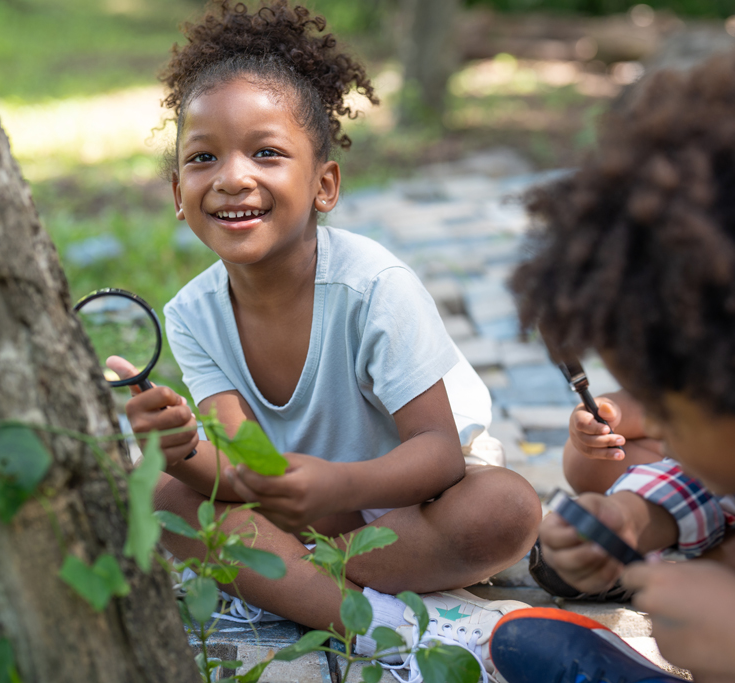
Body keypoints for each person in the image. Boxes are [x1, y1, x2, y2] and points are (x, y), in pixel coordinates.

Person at [108, 2, 541, 679]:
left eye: (267, 153)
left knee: (507, 507)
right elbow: (236, 475)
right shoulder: (191, 312)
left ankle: (299, 588)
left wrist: (340, 483)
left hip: (408, 496)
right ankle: (382, 625)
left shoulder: (372, 287)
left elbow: (437, 453)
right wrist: (181, 447)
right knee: (164, 495)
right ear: (176, 190)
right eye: (202, 157)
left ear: (325, 184)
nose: (231, 177)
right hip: (293, 506)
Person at [491, 32, 735, 683]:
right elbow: (710, 483)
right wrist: (629, 517)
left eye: (671, 409)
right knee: (733, 575)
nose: (654, 424)